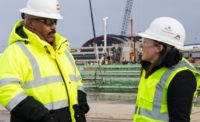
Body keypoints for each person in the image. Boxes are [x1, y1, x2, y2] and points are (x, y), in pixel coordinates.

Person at [0, 0, 89, 122]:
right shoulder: (15, 52)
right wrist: (39, 115)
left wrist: (80, 97)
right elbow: (6, 90)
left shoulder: (63, 51)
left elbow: (76, 79)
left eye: (55, 21)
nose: (53, 26)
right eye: (48, 21)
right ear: (30, 23)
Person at [133, 17, 200, 122]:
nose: (141, 45)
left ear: (159, 48)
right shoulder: (150, 68)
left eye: (145, 42)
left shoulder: (181, 76)